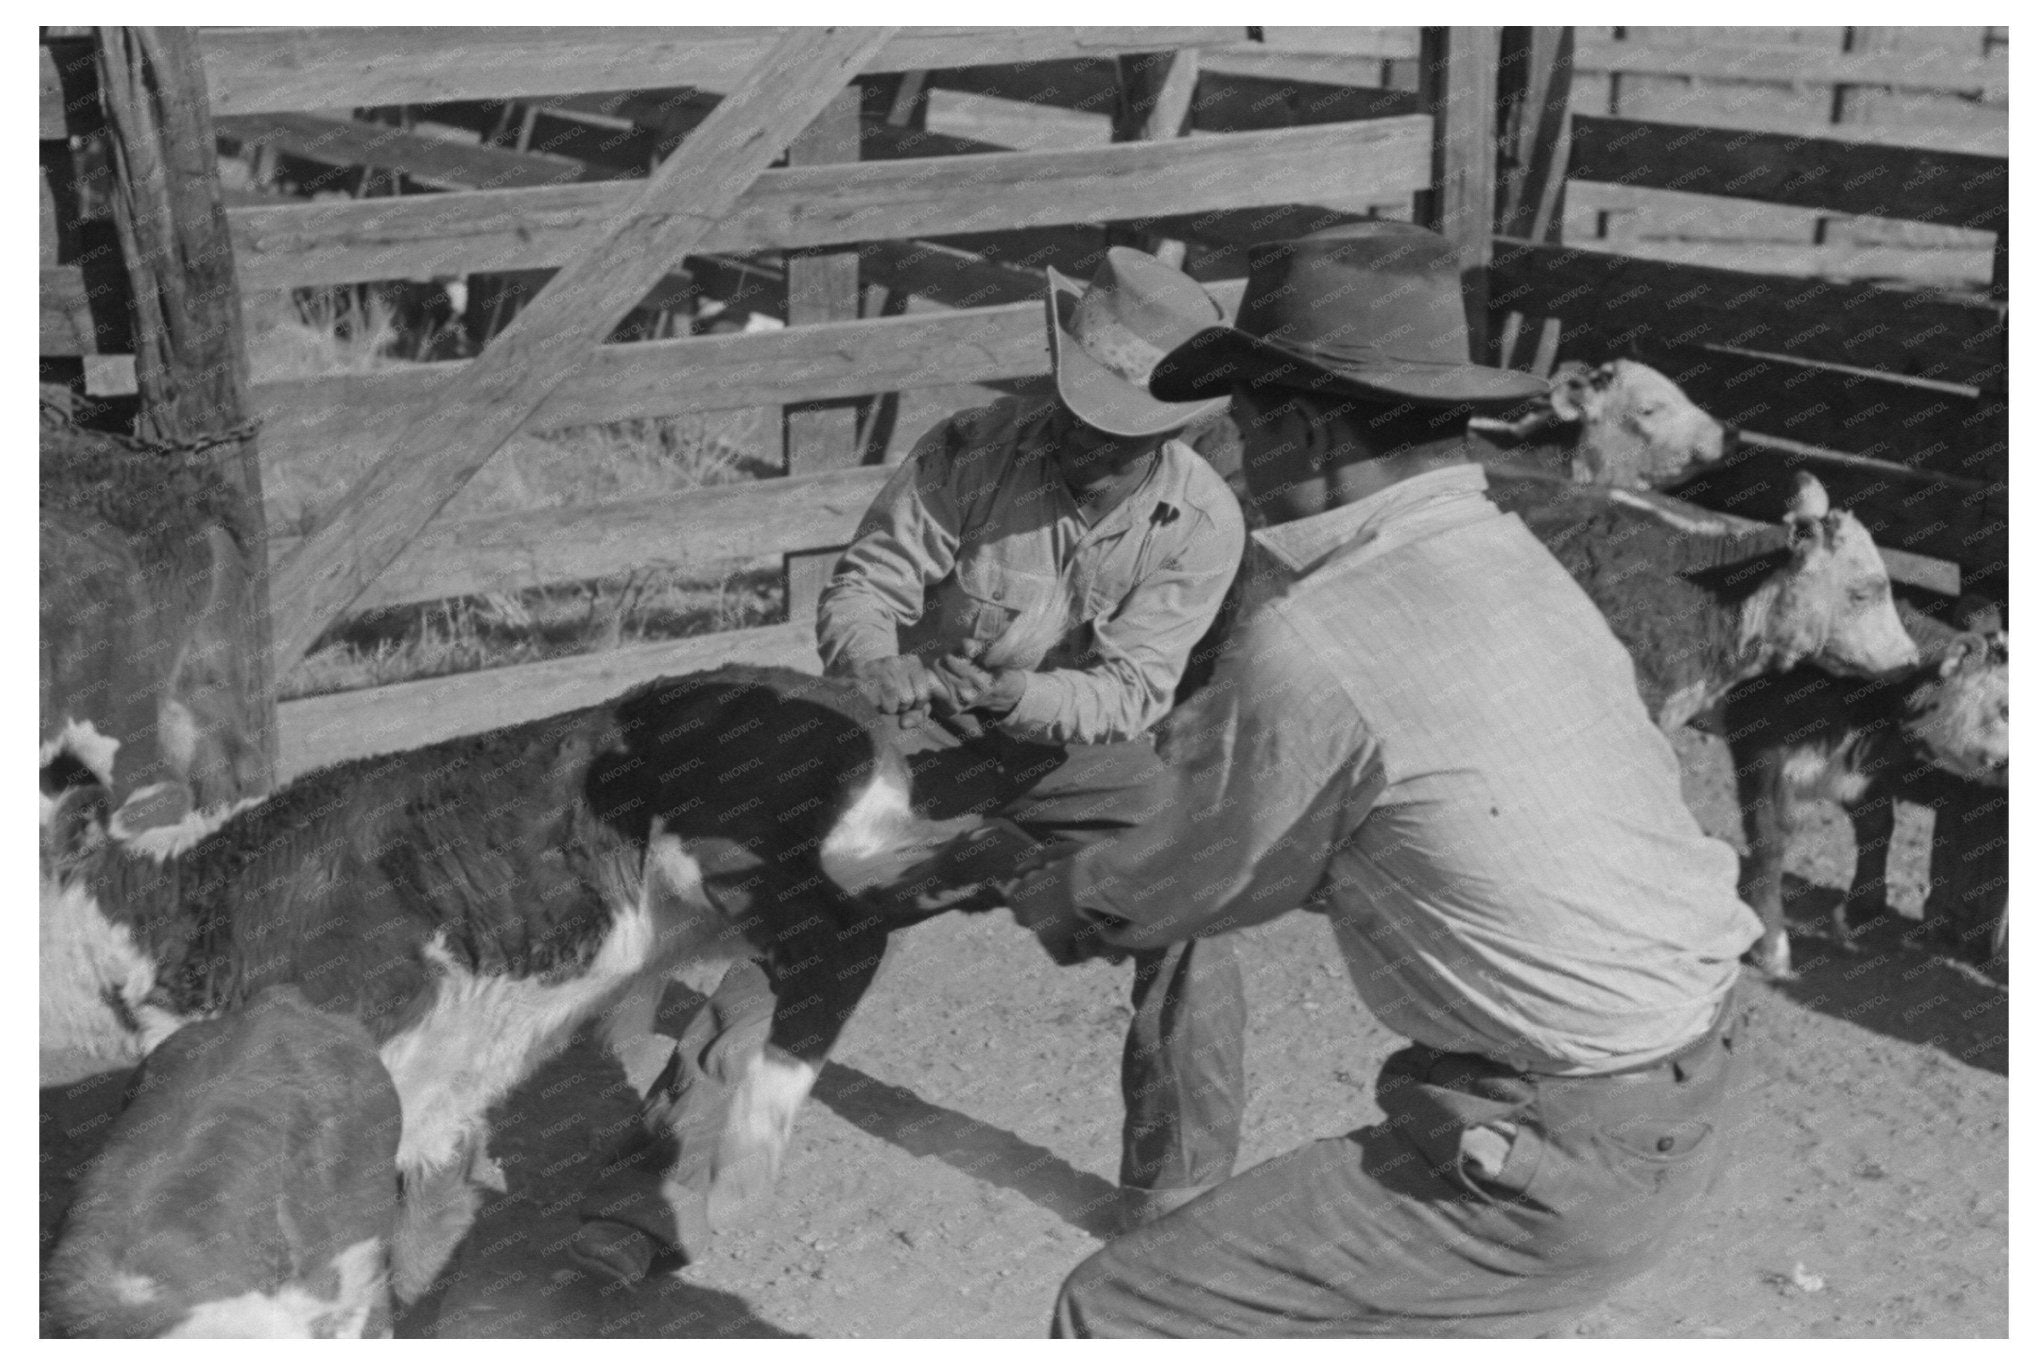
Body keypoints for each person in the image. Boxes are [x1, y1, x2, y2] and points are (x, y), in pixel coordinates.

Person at [999, 222, 1764, 1337]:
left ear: (1303, 426)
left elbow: (1185, 887)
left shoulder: (1318, 632)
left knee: (1123, 1306)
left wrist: (1006, 875)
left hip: (1555, 1146)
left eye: (1247, 428)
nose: (1241, 465)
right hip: (1693, 1073)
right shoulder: (1513, 564)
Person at [571, 247, 1252, 1282]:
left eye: (1120, 434)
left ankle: (1174, 1198)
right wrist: (878, 663)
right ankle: (666, 1199)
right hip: (926, 740)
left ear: (1173, 432)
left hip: (1079, 756)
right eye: (1077, 411)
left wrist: (1016, 694)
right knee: (809, 933)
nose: (1088, 444)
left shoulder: (1201, 523)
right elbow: (865, 586)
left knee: (1191, 907)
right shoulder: (971, 448)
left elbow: (1130, 693)